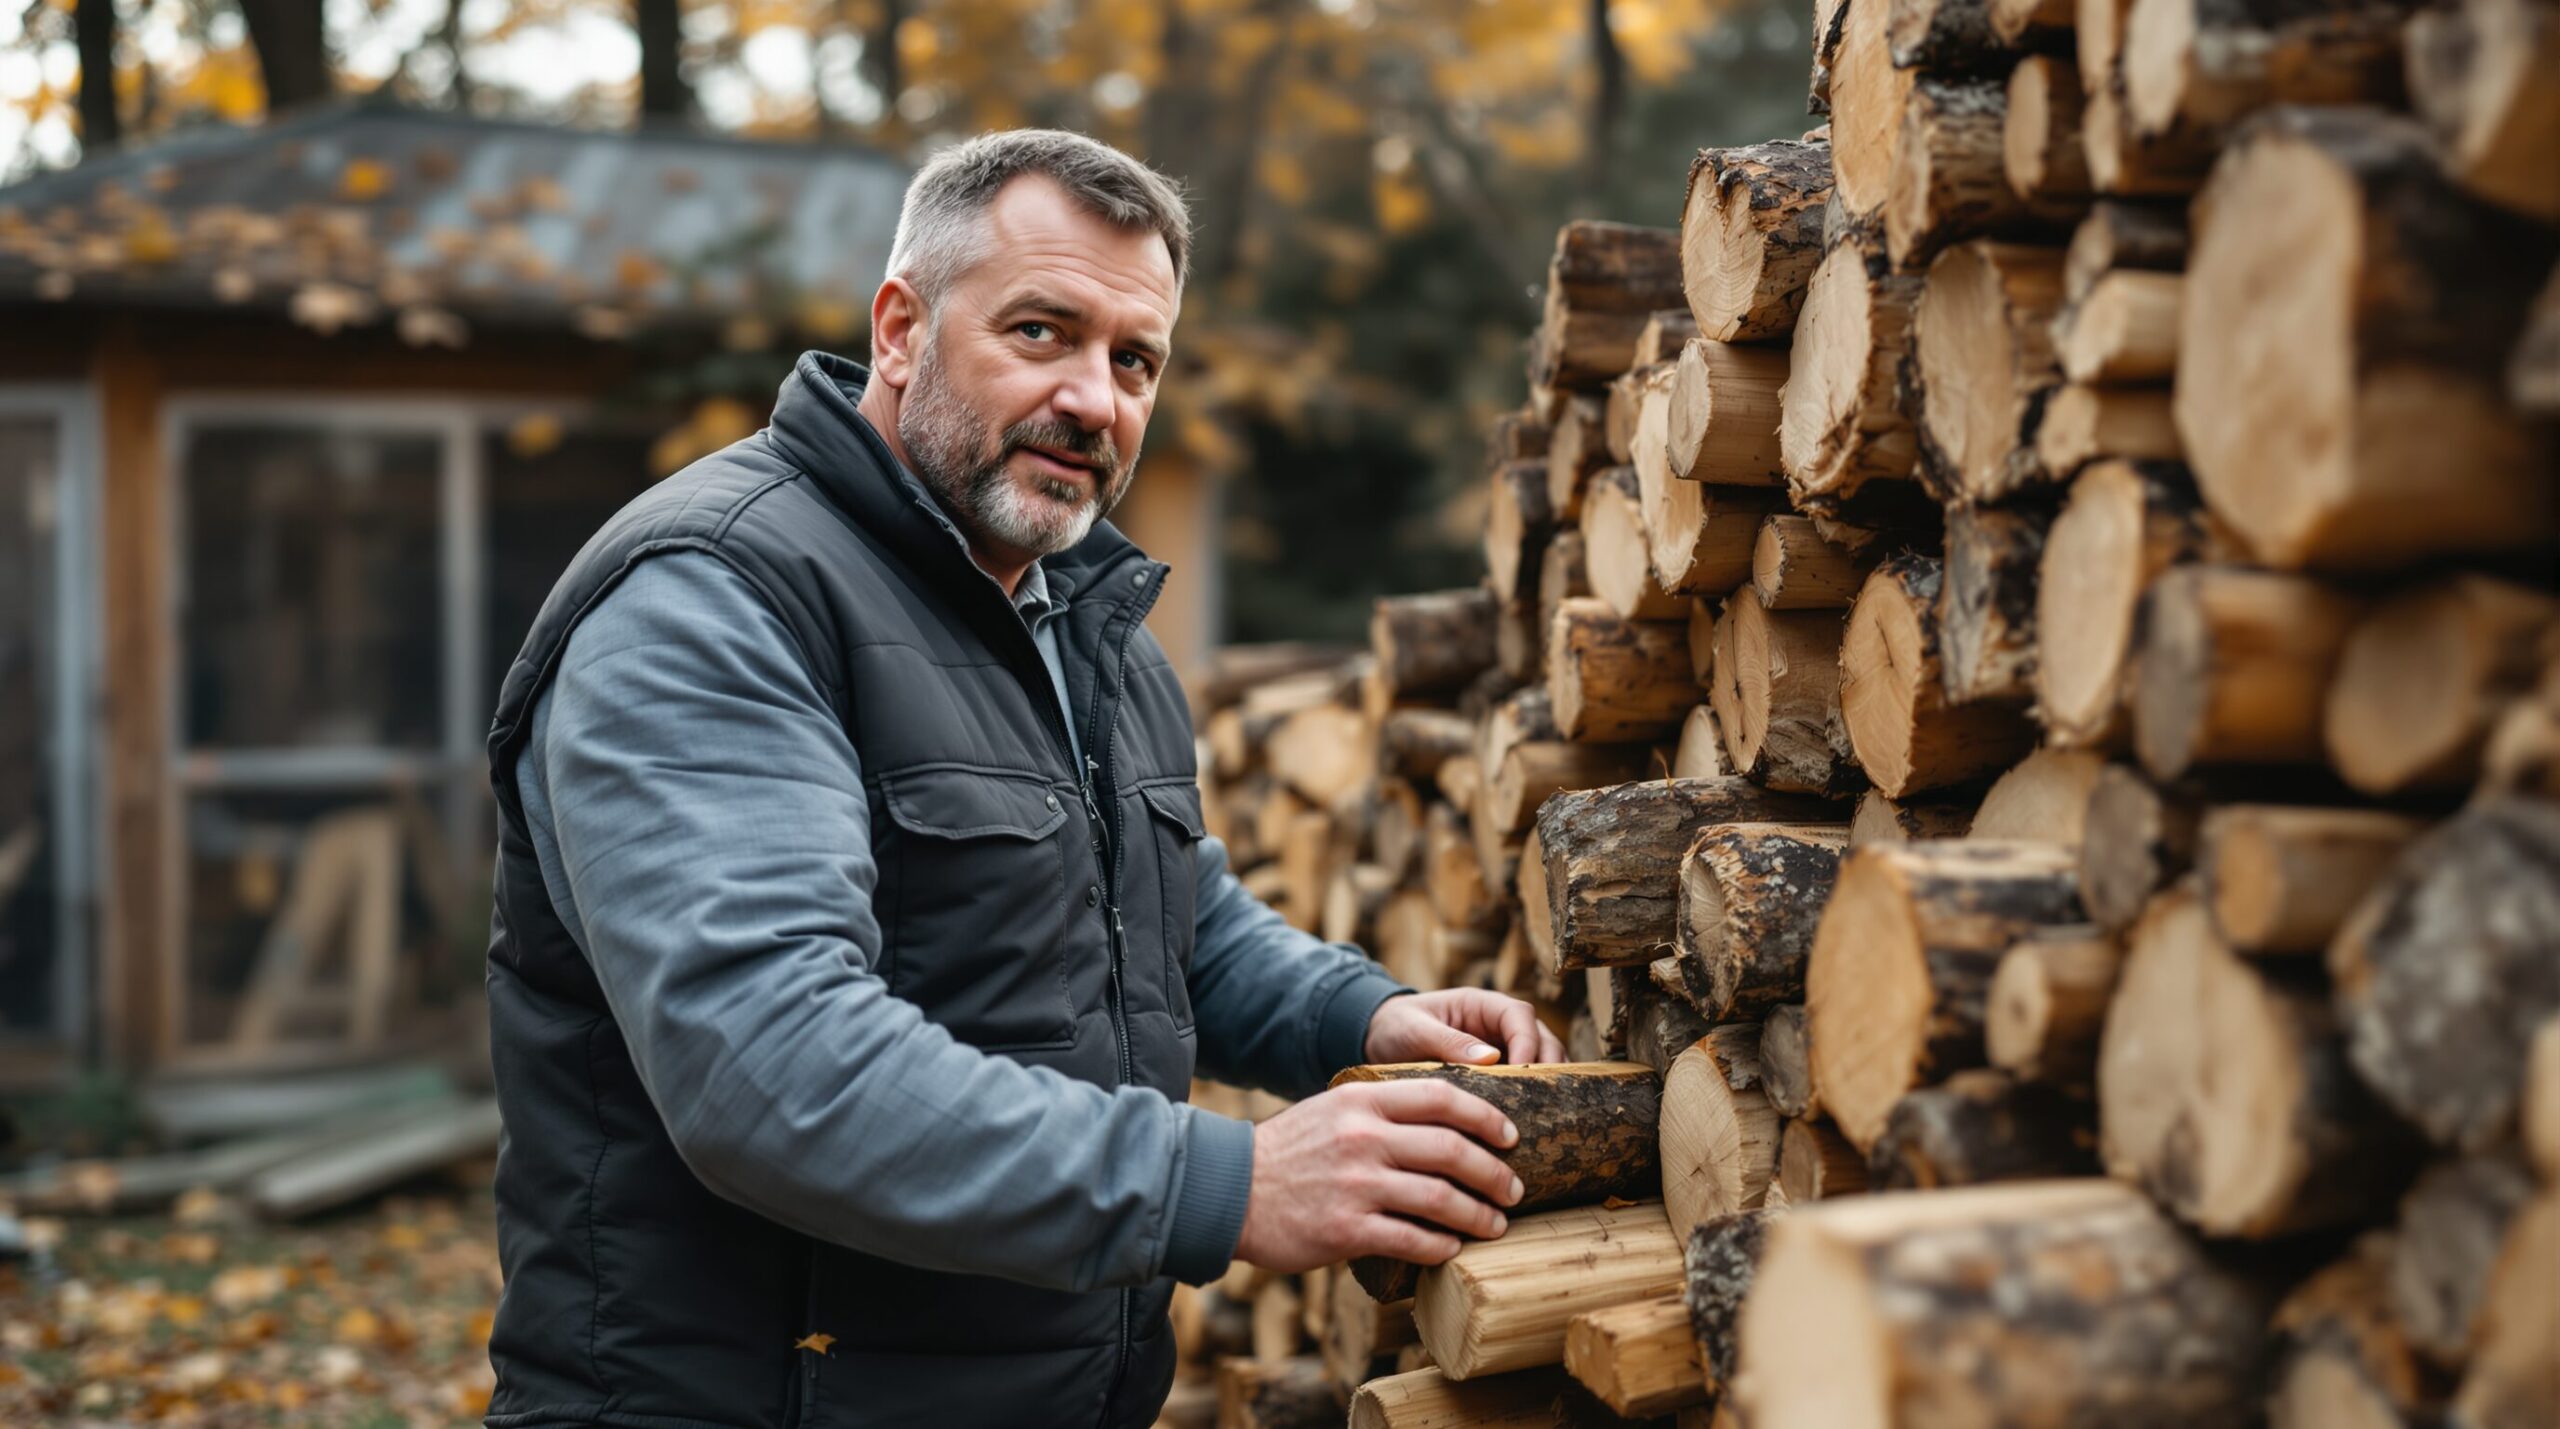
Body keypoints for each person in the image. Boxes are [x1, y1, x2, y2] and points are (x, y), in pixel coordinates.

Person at [480, 127, 1566, 1429]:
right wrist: (1219, 1185)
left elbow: (1166, 917)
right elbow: (769, 1062)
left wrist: (1360, 1016)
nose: (1095, 400)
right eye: (1042, 332)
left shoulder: (1081, 623)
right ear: (900, 329)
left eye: (1135, 359)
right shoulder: (714, 600)